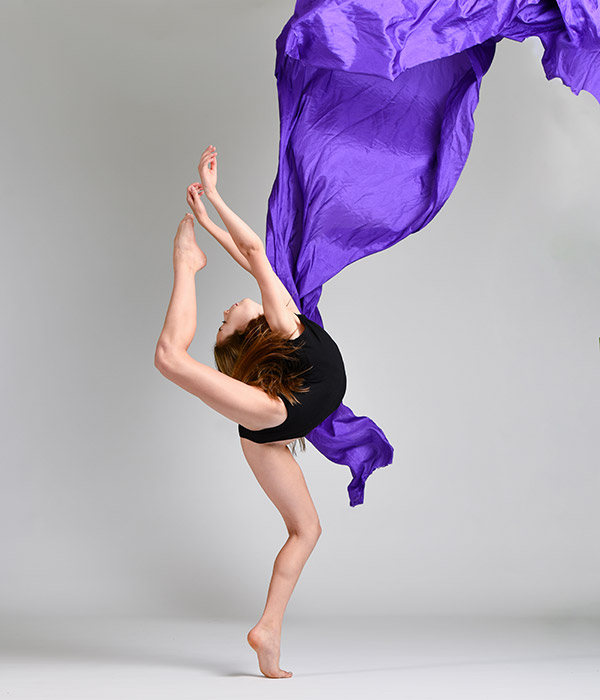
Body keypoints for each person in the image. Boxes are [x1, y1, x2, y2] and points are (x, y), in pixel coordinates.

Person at [154, 145, 347, 679]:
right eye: (224, 323)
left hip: (273, 424)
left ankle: (267, 631)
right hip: (276, 415)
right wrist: (213, 197)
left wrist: (206, 216)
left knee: (306, 530)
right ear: (248, 334)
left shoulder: (283, 320)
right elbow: (256, 252)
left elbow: (246, 255)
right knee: (171, 359)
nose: (226, 311)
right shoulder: (284, 326)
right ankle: (184, 266)